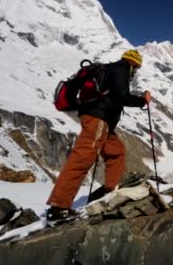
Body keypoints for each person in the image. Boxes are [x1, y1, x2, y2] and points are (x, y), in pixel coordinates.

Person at [46, 49, 151, 223]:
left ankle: (110, 192)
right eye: (137, 68)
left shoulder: (110, 69)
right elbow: (121, 97)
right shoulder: (122, 69)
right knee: (83, 158)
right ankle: (58, 208)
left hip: (101, 121)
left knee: (116, 151)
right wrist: (142, 100)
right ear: (134, 64)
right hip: (98, 119)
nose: (136, 72)